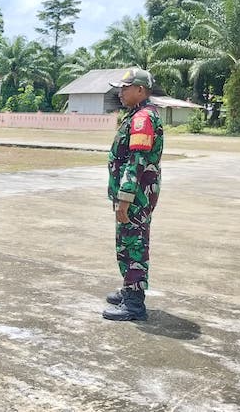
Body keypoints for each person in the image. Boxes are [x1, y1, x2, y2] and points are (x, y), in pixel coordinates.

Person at [103, 68, 164, 321]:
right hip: (135, 193)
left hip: (136, 195)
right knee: (127, 243)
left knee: (134, 244)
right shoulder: (137, 115)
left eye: (125, 88)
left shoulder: (142, 119)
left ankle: (135, 304)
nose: (120, 92)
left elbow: (136, 160)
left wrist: (125, 198)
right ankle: (130, 288)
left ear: (140, 90)